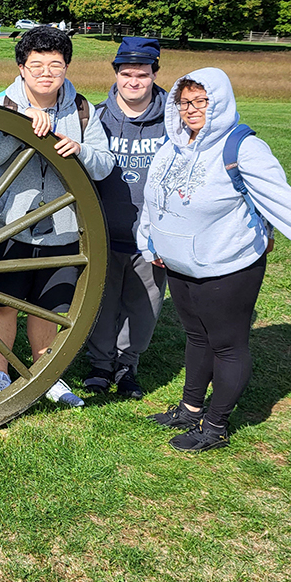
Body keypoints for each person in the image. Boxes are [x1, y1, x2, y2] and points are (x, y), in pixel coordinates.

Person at [138, 68, 291, 452]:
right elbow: (154, 200)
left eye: (201, 101)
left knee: (227, 344)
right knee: (197, 337)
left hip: (227, 265)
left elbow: (284, 201)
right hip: (179, 263)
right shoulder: (171, 146)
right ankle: (189, 409)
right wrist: (149, 241)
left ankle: (215, 426)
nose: (191, 109)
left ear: (218, 101)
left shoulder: (243, 148)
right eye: (184, 102)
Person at [0, 25, 115, 407]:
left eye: (55, 64)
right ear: (22, 67)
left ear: (66, 67)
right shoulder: (2, 104)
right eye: (36, 65)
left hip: (63, 228)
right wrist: (21, 127)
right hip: (10, 226)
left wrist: (80, 149)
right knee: (4, 304)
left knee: (50, 308)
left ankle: (45, 375)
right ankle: (0, 376)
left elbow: (104, 164)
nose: (46, 73)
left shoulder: (82, 109)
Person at [83, 37, 169, 399]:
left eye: (142, 74)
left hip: (152, 235)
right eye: (127, 73)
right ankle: (100, 366)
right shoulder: (98, 117)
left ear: (154, 75)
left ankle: (127, 366)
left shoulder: (173, 121)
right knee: (101, 302)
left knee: (144, 306)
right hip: (104, 229)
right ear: (116, 74)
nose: (134, 81)